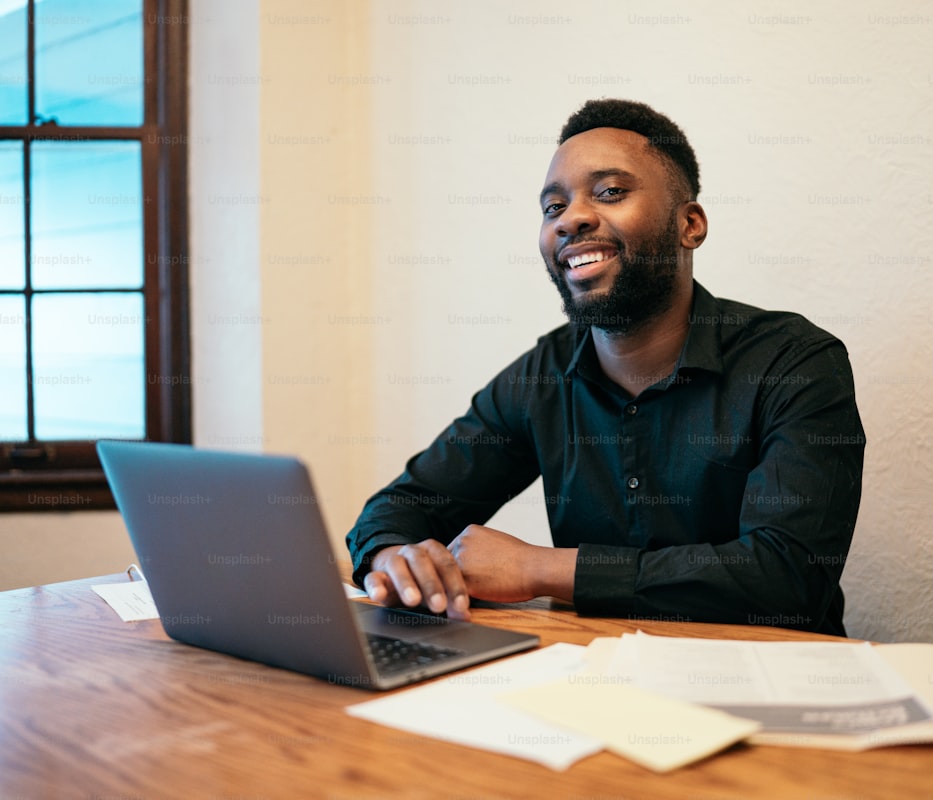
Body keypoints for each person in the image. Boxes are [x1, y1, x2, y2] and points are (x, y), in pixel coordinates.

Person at [347, 98, 865, 635]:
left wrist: (541, 568)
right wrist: (391, 557)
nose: (571, 218)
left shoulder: (794, 362)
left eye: (610, 192)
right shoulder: (543, 375)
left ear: (690, 224)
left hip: (767, 688)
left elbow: (790, 578)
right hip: (596, 683)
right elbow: (403, 506)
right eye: (553, 207)